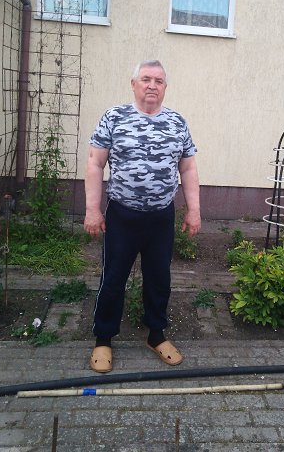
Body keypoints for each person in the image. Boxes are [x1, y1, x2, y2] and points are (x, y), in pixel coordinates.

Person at [84, 60, 201, 373]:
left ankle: (156, 335)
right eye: (146, 79)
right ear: (133, 83)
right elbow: (95, 164)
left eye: (159, 81)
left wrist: (194, 210)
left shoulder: (177, 122)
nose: (152, 85)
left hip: (161, 218)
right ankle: (103, 338)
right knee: (113, 279)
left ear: (165, 87)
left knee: (159, 278)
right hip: (122, 216)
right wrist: (92, 209)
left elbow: (188, 167)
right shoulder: (114, 117)